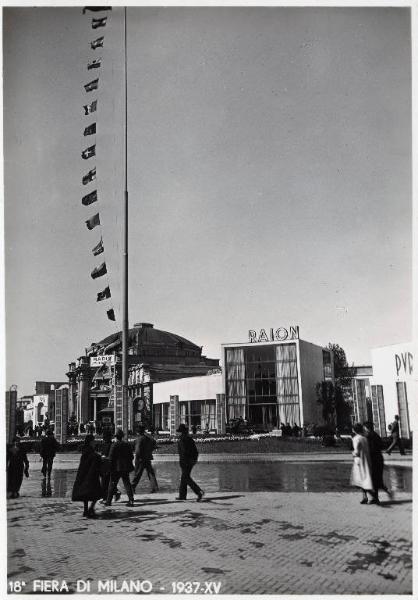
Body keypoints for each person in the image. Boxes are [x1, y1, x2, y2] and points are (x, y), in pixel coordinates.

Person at [71, 434, 103, 518]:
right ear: (90, 442)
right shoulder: (90, 451)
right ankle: (91, 508)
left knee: (86, 493)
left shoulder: (85, 450)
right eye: (93, 441)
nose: (95, 442)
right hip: (91, 475)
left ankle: (86, 510)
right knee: (96, 492)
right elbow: (93, 458)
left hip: (84, 474)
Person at [363, 421, 392, 504]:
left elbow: (371, 449)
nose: (364, 429)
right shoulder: (376, 435)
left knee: (373, 479)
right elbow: (381, 446)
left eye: (364, 427)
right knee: (376, 479)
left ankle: (377, 497)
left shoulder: (369, 436)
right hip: (379, 459)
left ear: (367, 428)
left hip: (374, 460)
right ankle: (377, 497)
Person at [104, 429, 135, 507]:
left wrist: (108, 468)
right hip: (125, 468)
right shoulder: (127, 445)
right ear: (122, 437)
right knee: (127, 484)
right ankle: (131, 500)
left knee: (112, 484)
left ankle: (108, 501)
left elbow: (110, 458)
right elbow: (131, 457)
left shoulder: (114, 445)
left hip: (115, 469)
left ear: (116, 437)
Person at [176, 423, 204, 502]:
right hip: (191, 461)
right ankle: (182, 496)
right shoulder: (189, 439)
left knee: (186, 478)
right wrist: (194, 460)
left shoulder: (182, 440)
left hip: (185, 461)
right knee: (184, 478)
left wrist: (184, 461)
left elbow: (184, 452)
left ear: (181, 432)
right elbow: (196, 452)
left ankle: (198, 491)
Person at [350, 423, 374, 504]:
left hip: (359, 461)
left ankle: (371, 495)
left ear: (355, 430)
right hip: (366, 460)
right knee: (364, 479)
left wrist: (353, 453)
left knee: (361, 480)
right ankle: (365, 497)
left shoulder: (356, 438)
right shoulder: (364, 438)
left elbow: (356, 451)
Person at [131, 425, 159, 494]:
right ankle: (155, 487)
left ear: (138, 432)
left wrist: (137, 458)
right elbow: (154, 444)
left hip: (140, 459)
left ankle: (132, 487)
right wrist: (149, 451)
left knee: (137, 474)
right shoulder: (148, 439)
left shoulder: (138, 440)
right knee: (150, 473)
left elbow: (137, 451)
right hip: (147, 458)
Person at [99, 430, 121, 504]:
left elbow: (113, 455)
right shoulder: (104, 444)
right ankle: (114, 493)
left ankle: (105, 497)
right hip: (105, 465)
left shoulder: (111, 445)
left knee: (106, 482)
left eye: (105, 437)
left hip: (109, 465)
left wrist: (105, 457)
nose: (104, 438)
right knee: (106, 482)